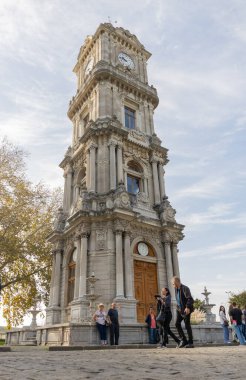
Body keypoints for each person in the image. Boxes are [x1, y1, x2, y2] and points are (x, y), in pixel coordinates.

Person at [172, 276, 194, 348]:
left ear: (177, 282)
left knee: (187, 325)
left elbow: (190, 299)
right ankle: (184, 340)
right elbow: (179, 300)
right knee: (177, 324)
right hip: (180, 310)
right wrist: (178, 308)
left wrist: (187, 307)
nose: (173, 285)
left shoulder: (185, 288)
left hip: (186, 309)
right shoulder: (176, 289)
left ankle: (190, 343)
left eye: (173, 283)